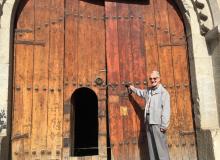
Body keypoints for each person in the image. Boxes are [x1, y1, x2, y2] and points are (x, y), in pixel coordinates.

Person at [127, 71, 170, 160]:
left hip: (158, 123)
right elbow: (140, 92)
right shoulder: (149, 91)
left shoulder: (163, 93)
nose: (153, 80)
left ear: (159, 79)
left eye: (155, 78)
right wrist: (132, 88)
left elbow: (166, 110)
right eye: (151, 79)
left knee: (161, 148)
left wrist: (164, 125)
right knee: (151, 147)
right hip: (149, 122)